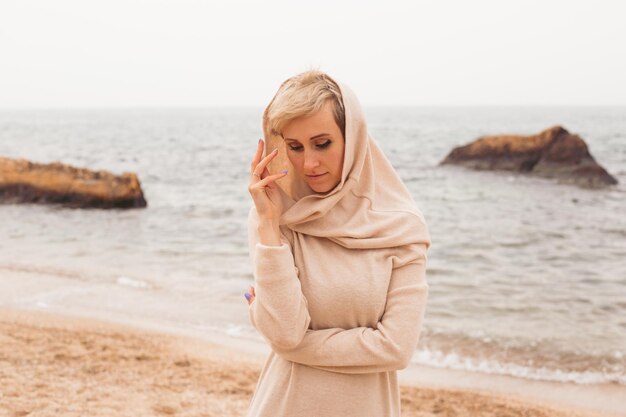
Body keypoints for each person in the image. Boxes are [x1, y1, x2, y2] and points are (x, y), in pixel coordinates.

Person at [244, 69, 431, 417]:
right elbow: (285, 334)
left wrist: (297, 345)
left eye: (323, 143)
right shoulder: (275, 218)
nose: (309, 163)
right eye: (295, 147)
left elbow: (396, 348)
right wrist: (269, 227)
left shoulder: (402, 228)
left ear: (353, 138)